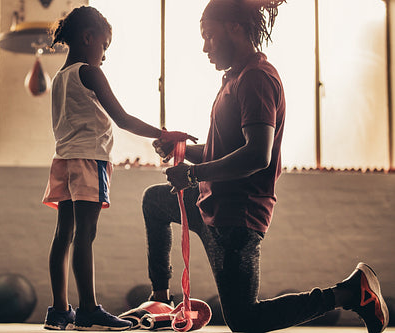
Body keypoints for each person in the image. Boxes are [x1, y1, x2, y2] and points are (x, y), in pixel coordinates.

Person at [142, 0, 389, 332]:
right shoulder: (233, 78)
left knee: (244, 320)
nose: (204, 47)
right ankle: (161, 299)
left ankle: (352, 292)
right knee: (154, 201)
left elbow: (258, 155)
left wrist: (192, 174)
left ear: (235, 28)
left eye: (209, 36)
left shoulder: (257, 79)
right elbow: (221, 152)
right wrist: (182, 150)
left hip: (236, 217)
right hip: (209, 204)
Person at [41, 6, 196, 331]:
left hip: (63, 161)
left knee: (63, 234)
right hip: (88, 161)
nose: (105, 56)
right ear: (88, 38)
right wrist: (165, 134)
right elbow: (122, 119)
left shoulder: (59, 78)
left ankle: (59, 309)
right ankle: (87, 309)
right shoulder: (90, 72)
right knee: (86, 234)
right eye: (104, 46)